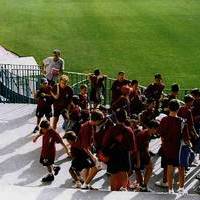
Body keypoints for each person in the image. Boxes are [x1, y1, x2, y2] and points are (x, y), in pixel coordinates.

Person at [158, 99, 190, 194]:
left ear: (169, 108)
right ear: (178, 108)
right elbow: (186, 138)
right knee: (181, 168)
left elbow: (161, 134)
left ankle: (170, 189)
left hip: (167, 148)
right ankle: (181, 188)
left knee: (169, 167)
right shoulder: (182, 121)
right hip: (179, 148)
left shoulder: (164, 120)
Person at [102, 108, 137, 191]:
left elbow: (104, 144)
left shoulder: (111, 130)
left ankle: (113, 191)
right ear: (126, 118)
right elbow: (132, 147)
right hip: (125, 155)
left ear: (116, 118)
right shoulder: (129, 130)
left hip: (113, 155)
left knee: (113, 173)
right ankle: (124, 189)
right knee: (124, 172)